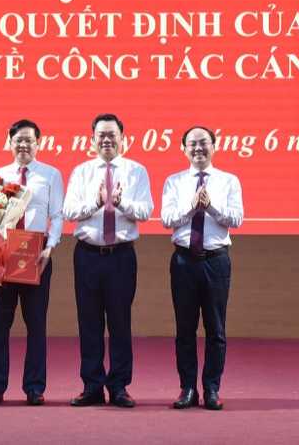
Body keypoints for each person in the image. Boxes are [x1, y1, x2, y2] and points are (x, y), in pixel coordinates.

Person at [63, 113, 153, 408]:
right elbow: (69, 211)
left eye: (111, 134)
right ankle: (92, 386)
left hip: (121, 256)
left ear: (122, 138)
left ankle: (119, 387)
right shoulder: (82, 172)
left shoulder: (136, 171)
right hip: (88, 255)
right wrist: (97, 203)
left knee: (120, 322)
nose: (106, 140)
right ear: (92, 140)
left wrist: (121, 202)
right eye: (100, 135)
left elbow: (146, 211)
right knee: (89, 322)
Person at [0, 119, 64, 407]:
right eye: (19, 140)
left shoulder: (51, 175)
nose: (24, 145)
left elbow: (57, 215)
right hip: (4, 257)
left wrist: (50, 248)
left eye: (29, 140)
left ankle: (34, 387)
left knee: (36, 325)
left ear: (38, 143)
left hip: (37, 256)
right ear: (10, 142)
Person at [160, 126, 244, 410]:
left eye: (204, 143)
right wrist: (191, 206)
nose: (198, 148)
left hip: (215, 261)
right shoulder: (174, 181)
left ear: (214, 146)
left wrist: (211, 208)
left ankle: (211, 389)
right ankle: (187, 389)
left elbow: (237, 219)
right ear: (184, 149)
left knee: (215, 329)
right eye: (192, 144)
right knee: (185, 329)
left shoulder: (229, 181)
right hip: (184, 261)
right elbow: (167, 219)